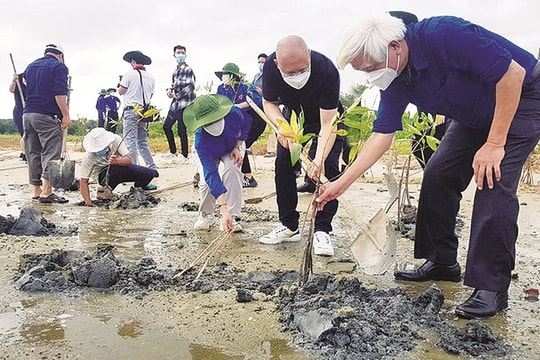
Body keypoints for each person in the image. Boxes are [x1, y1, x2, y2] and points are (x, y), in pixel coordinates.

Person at [316, 13, 540, 318]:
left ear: (394, 46)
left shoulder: (444, 34)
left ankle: (491, 288)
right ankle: (442, 261)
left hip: (520, 97)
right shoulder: (395, 78)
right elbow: (382, 136)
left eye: (369, 68)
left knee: (492, 180)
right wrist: (339, 185)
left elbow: (511, 75)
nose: (370, 77)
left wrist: (494, 143)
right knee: (438, 173)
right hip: (471, 115)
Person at [259, 35, 344, 257]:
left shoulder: (326, 70)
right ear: (278, 65)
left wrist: (319, 159)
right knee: (283, 166)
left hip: (326, 117)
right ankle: (289, 226)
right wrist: (282, 127)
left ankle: (322, 230)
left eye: (302, 70)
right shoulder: (270, 68)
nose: (297, 76)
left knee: (328, 170)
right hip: (294, 119)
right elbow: (268, 103)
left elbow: (328, 124)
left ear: (309, 56)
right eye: (290, 73)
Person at [183, 94, 250, 234]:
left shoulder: (234, 113)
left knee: (233, 169)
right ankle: (207, 214)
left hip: (231, 146)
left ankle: (234, 216)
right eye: (208, 122)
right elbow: (211, 174)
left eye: (216, 119)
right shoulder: (201, 141)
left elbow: (246, 124)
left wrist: (237, 146)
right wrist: (223, 208)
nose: (213, 124)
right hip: (210, 151)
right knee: (206, 182)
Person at [22, 43, 71, 204]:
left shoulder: (31, 66)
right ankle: (47, 191)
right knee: (51, 152)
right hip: (46, 115)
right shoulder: (59, 67)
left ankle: (36, 190)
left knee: (33, 153)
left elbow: (24, 88)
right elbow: (59, 93)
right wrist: (65, 115)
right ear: (60, 55)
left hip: (28, 114)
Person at [79, 127, 159, 206]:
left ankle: (139, 187)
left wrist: (117, 161)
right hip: (104, 176)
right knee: (114, 169)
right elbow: (83, 181)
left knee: (148, 174)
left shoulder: (116, 140)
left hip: (121, 167)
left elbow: (128, 160)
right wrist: (88, 202)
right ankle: (106, 190)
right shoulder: (88, 157)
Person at [214, 62, 263, 188]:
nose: (225, 78)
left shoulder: (245, 86)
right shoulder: (222, 88)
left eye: (227, 75)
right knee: (237, 145)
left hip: (254, 120)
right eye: (223, 75)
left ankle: (248, 177)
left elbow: (256, 100)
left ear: (234, 76)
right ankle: (245, 176)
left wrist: (240, 106)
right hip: (236, 122)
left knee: (241, 145)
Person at [118, 50, 157, 190]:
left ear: (133, 62)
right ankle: (152, 167)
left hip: (131, 110)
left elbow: (121, 91)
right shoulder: (151, 77)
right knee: (142, 141)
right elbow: (151, 94)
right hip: (145, 111)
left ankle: (134, 171)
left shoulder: (128, 74)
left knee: (130, 142)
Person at [163, 45, 196, 163]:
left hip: (185, 103)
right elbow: (173, 85)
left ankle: (185, 155)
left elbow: (191, 87)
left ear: (185, 55)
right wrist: (169, 90)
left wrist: (177, 95)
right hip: (175, 103)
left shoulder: (188, 69)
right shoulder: (175, 71)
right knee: (166, 126)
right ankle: (173, 151)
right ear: (174, 55)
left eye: (182, 52)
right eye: (178, 52)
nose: (180, 54)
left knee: (182, 129)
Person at [8, 73, 27, 162]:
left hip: (30, 111)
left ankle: (26, 152)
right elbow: (11, 89)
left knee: (29, 133)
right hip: (19, 111)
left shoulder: (34, 84)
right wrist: (14, 80)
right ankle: (24, 153)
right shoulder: (19, 82)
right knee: (24, 133)